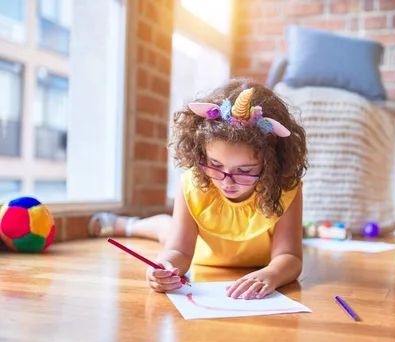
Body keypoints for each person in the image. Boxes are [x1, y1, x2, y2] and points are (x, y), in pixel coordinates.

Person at [89, 79, 308, 300]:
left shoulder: (285, 187)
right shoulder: (193, 183)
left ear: (271, 163)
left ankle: (135, 224)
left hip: (260, 260)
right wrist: (165, 266)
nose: (227, 182)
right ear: (201, 153)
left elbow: (289, 256)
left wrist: (271, 274)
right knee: (167, 232)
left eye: (244, 170)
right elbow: (179, 251)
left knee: (168, 229)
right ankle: (128, 225)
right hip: (200, 250)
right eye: (215, 165)